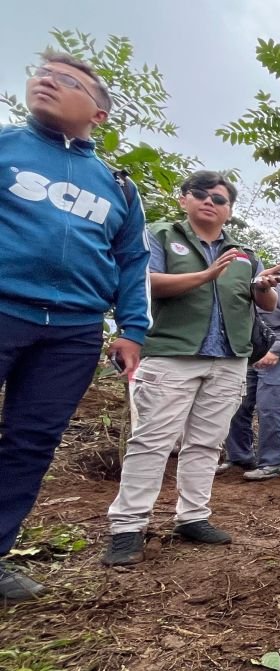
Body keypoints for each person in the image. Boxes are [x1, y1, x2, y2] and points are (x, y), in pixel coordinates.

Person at [0, 52, 151, 601]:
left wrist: (132, 329)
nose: (45, 82)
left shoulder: (116, 186)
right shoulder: (7, 147)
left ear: (99, 112)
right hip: (4, 309)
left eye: (66, 81)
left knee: (31, 441)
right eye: (40, 74)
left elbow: (132, 263)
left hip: (73, 329)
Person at [104, 171, 280, 566]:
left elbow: (266, 306)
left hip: (228, 359)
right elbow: (142, 283)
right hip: (171, 354)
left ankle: (193, 516)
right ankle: (128, 526)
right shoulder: (160, 236)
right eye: (200, 194)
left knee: (205, 443)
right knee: (152, 441)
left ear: (229, 210)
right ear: (183, 199)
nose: (210, 202)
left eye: (220, 199)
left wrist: (261, 286)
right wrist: (205, 275)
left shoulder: (243, 254)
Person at [222, 281, 280, 479]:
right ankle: (239, 455)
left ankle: (273, 462)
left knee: (269, 406)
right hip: (252, 353)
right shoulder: (239, 288)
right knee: (237, 403)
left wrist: (276, 350)